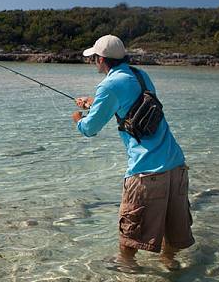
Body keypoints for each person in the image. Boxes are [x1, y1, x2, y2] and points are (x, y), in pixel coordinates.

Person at [72, 35, 193, 269]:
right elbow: (131, 102)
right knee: (172, 229)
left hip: (146, 171)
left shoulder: (108, 85)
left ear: (100, 60)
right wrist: (93, 102)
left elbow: (90, 129)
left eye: (94, 58)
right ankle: (170, 264)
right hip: (176, 165)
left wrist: (79, 119)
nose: (93, 62)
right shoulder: (140, 75)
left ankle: (125, 268)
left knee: (130, 235)